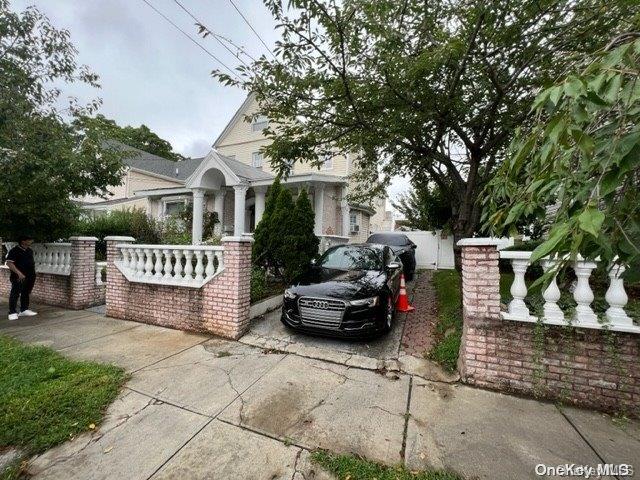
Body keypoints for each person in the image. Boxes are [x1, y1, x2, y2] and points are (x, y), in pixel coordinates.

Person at [5, 235, 38, 321]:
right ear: (23, 241)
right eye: (29, 240)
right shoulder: (14, 251)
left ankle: (24, 310)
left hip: (30, 276)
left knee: (26, 292)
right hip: (18, 276)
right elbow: (9, 263)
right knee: (15, 293)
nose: (31, 241)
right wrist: (19, 273)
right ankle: (12, 312)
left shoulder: (29, 251)